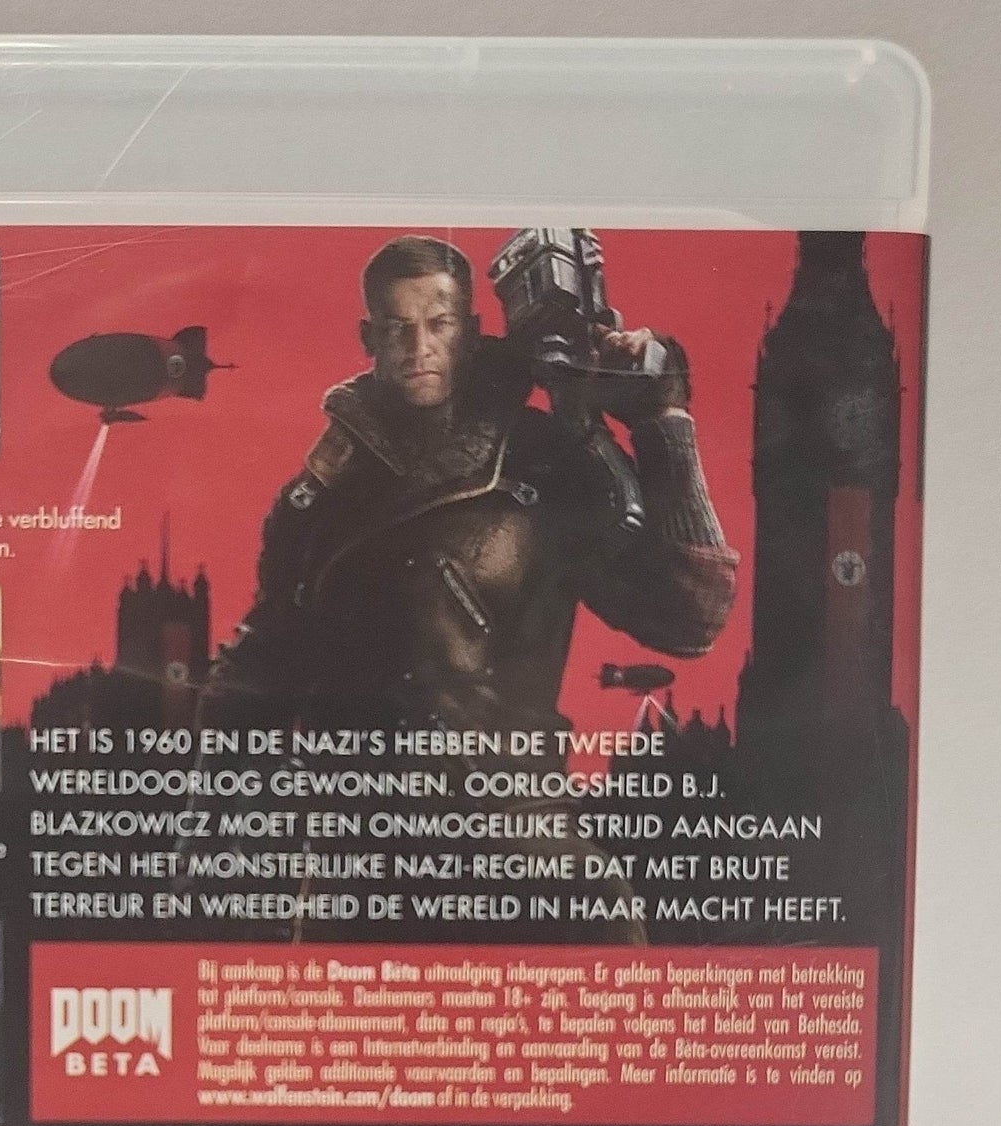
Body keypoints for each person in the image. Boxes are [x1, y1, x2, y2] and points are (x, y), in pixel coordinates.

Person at [203, 233, 736, 746]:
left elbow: (688, 620)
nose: (419, 348)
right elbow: (252, 683)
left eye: (440, 324)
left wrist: (663, 419)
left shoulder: (545, 459)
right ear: (369, 338)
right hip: (350, 797)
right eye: (397, 328)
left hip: (505, 795)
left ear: (471, 331)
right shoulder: (318, 497)